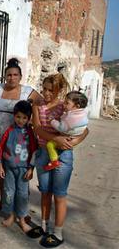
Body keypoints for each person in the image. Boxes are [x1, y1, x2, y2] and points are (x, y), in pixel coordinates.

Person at [0, 57, 41, 211]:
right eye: (9, 75)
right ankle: (4, 201)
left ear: (20, 77)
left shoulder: (27, 91)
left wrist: (34, 120)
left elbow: (42, 103)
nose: (12, 78)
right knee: (3, 171)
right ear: (5, 76)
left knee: (21, 172)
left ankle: (21, 207)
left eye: (15, 75)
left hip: (21, 139)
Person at [32, 74, 88, 248]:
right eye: (45, 88)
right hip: (43, 152)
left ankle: (57, 233)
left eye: (51, 90)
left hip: (63, 155)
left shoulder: (65, 107)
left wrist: (75, 142)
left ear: (59, 90)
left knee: (59, 195)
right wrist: (56, 139)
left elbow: (84, 129)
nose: (47, 93)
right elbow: (38, 129)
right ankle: (43, 226)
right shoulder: (37, 104)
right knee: (45, 192)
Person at [0, 100, 42, 238]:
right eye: (18, 117)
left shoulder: (30, 133)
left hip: (24, 170)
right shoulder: (9, 131)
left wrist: (31, 168)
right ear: (14, 116)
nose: (21, 120)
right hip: (9, 168)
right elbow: (1, 148)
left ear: (29, 118)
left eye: (24, 118)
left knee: (22, 194)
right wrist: (0, 165)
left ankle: (22, 219)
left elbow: (34, 151)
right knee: (9, 192)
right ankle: (11, 215)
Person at [45, 91, 88, 171]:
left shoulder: (72, 117)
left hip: (68, 138)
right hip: (73, 138)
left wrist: (52, 121)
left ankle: (54, 161)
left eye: (67, 103)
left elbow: (62, 128)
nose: (64, 105)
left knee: (50, 145)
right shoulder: (82, 113)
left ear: (77, 106)